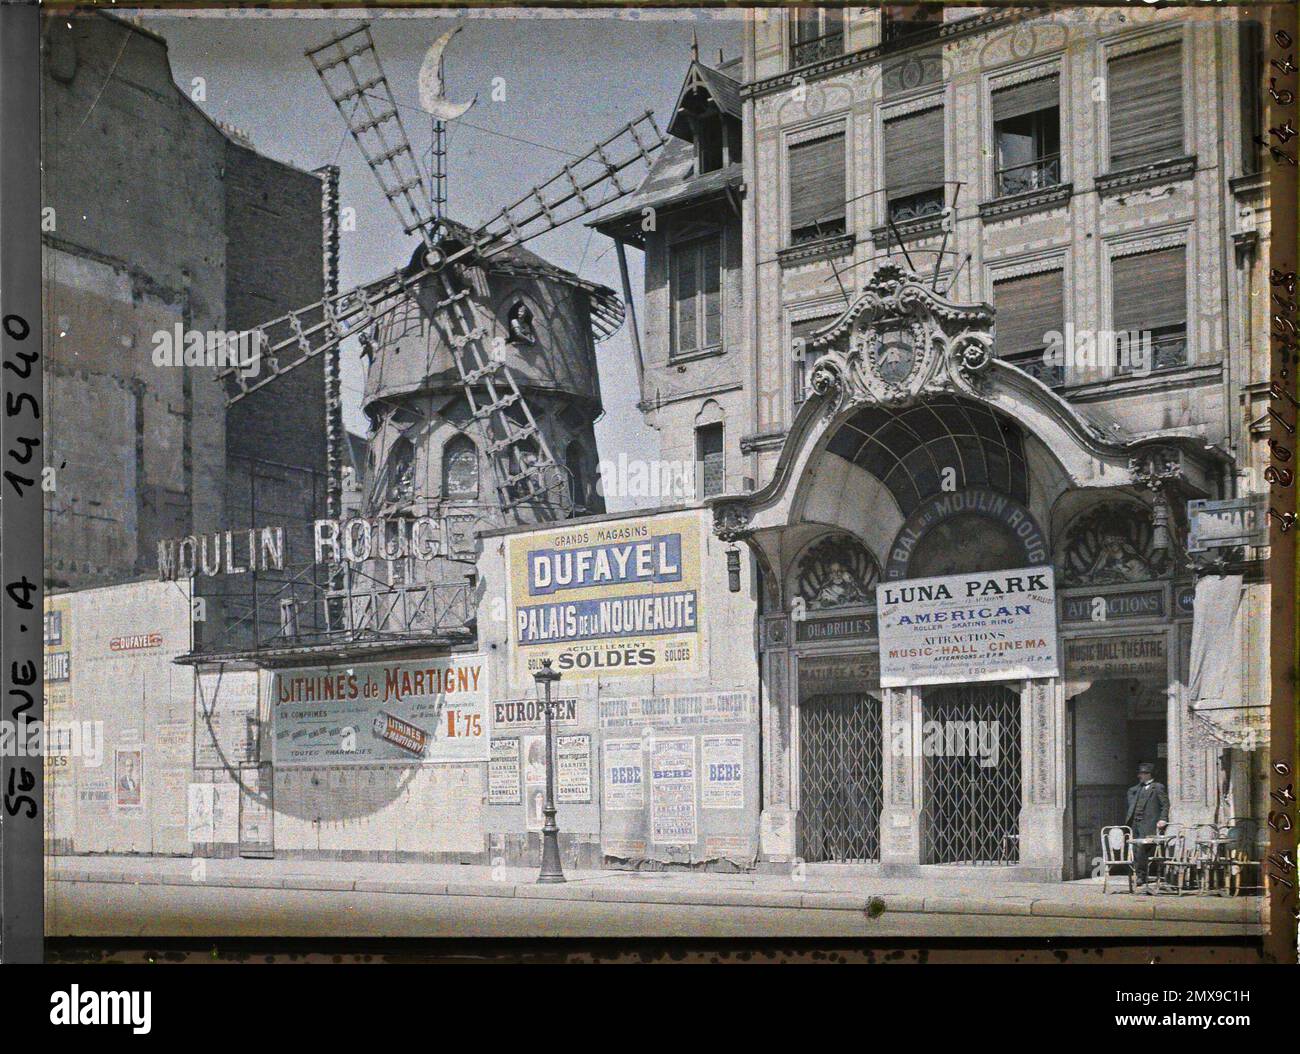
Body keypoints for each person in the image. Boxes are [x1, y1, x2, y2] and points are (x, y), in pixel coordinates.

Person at [1124, 761, 1169, 890]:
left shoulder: (1158, 787)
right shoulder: (1137, 788)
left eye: (1143, 774)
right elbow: (1130, 792)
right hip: (1136, 823)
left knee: (1143, 849)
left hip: (1149, 823)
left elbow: (1165, 804)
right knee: (1135, 849)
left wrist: (1163, 819)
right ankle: (1138, 874)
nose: (1140, 776)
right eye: (1140, 774)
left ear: (1149, 774)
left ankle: (1141, 876)